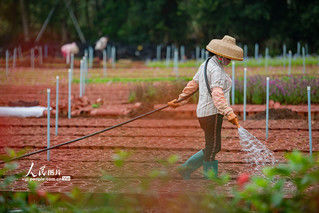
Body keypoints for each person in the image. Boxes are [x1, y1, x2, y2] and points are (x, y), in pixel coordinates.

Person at [167, 35, 242, 179]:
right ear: (221, 55)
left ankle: (191, 170)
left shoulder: (206, 64)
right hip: (212, 114)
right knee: (213, 147)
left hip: (203, 113)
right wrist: (228, 112)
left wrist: (180, 99)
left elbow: (193, 84)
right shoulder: (217, 71)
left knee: (212, 146)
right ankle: (203, 174)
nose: (230, 60)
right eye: (228, 57)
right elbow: (217, 94)